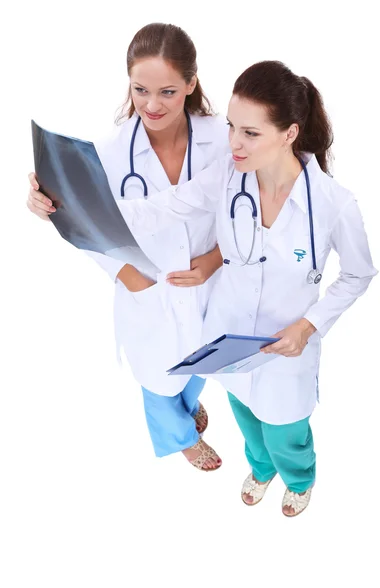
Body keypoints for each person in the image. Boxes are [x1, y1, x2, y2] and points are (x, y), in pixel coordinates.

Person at [116, 60, 378, 516]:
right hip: (229, 335)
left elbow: (357, 275)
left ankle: (299, 477)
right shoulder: (229, 174)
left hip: (286, 348)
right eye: (233, 126)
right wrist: (68, 206)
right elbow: (164, 207)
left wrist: (309, 325)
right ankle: (260, 469)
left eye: (250, 133)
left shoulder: (335, 205)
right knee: (247, 420)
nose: (233, 142)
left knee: (284, 430)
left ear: (290, 133)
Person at [27, 23, 231, 471]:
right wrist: (129, 276)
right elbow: (86, 224)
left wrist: (214, 262)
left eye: (168, 92)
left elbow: (247, 206)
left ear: (191, 84)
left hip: (212, 277)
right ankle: (180, 437)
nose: (152, 105)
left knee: (208, 358)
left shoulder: (223, 136)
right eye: (141, 89)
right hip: (148, 287)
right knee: (158, 377)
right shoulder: (108, 153)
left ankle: (186, 406)